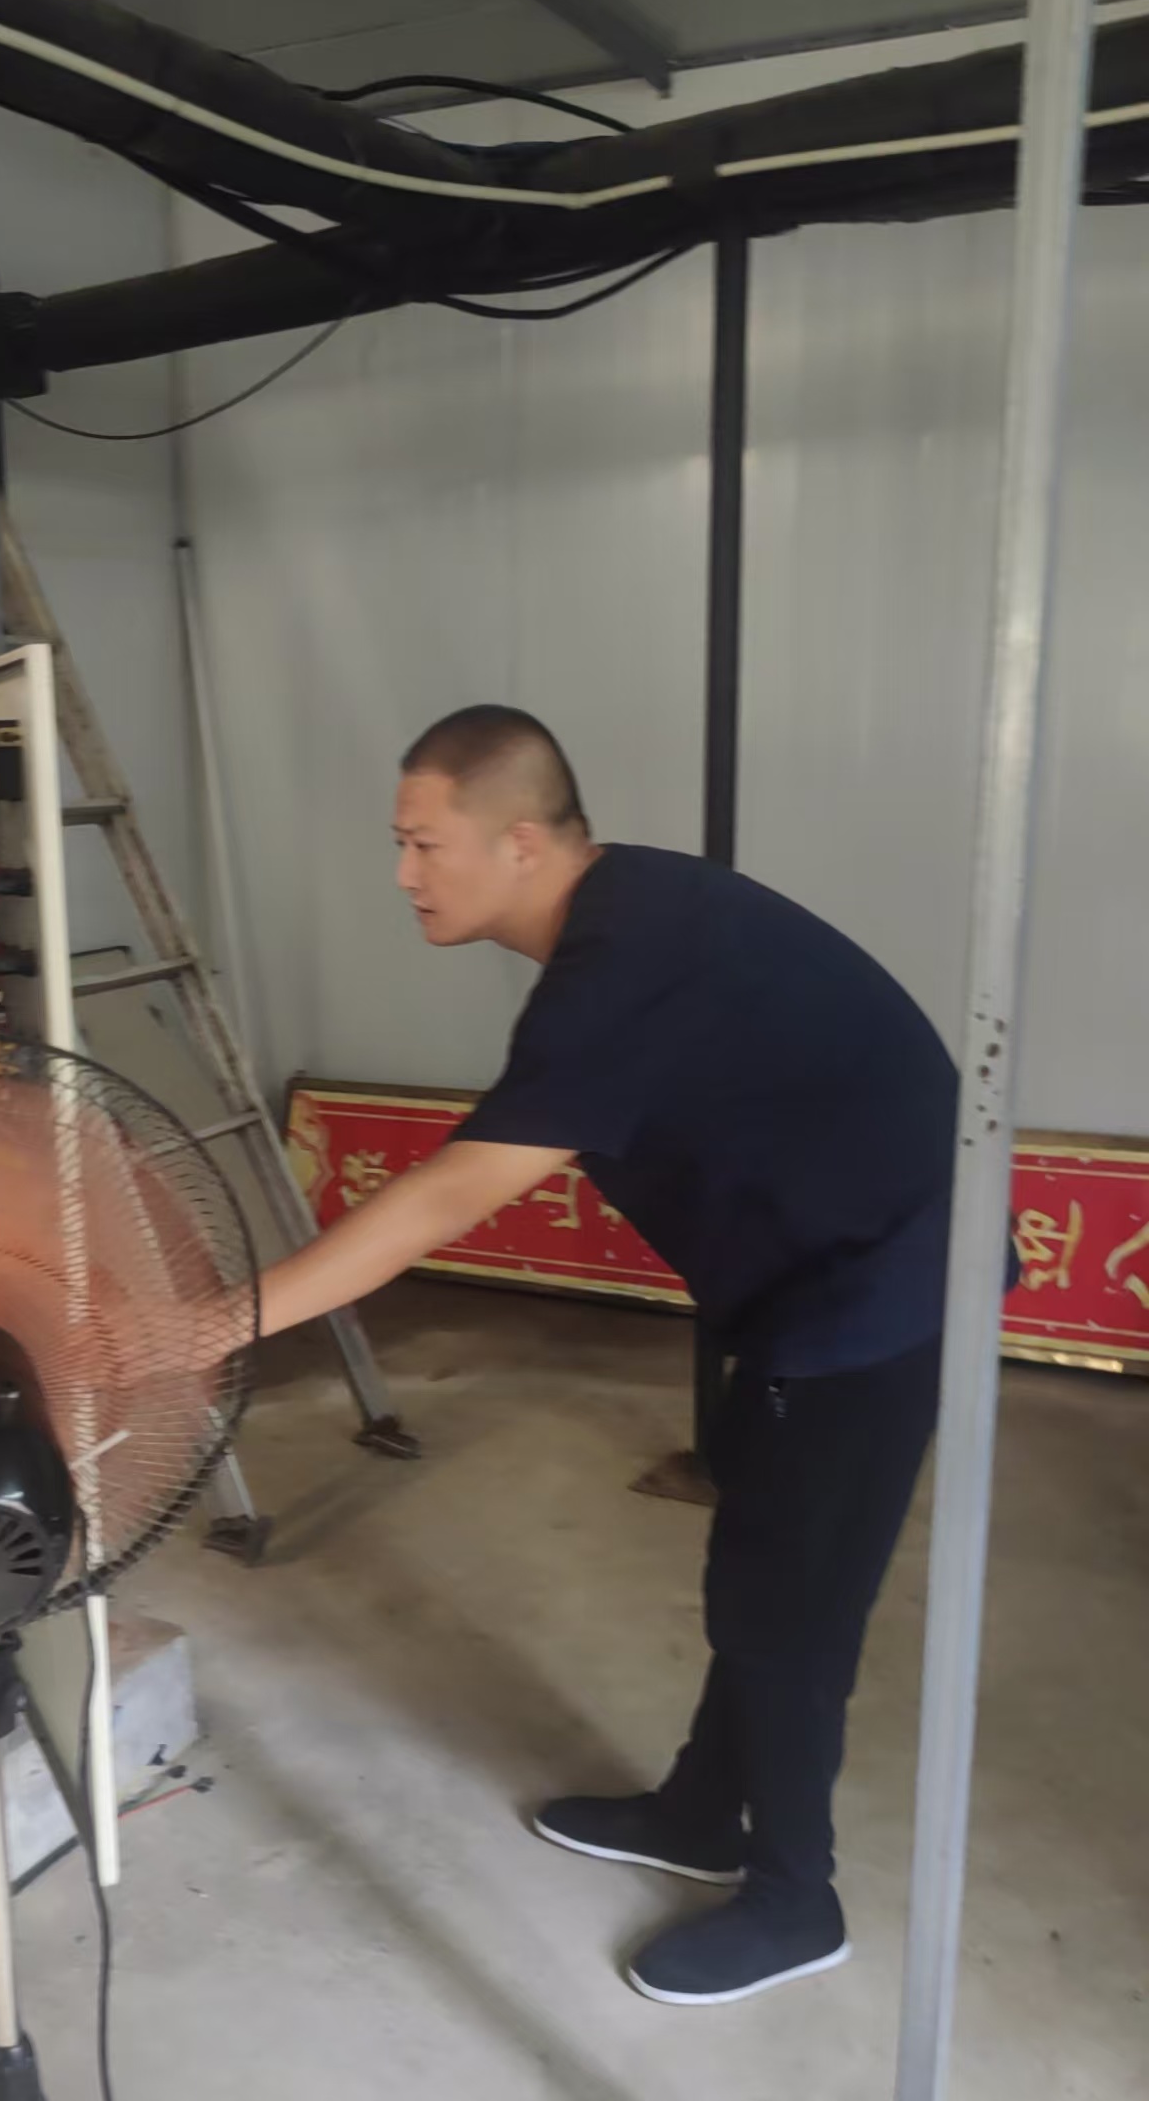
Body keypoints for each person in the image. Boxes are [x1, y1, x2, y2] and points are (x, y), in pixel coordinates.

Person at [252, 704, 958, 2006]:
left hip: (884, 1288)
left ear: (521, 843)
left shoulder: (623, 965)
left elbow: (447, 1199)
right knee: (760, 1567)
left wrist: (218, 1321)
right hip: (812, 1283)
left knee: (791, 1609)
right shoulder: (631, 917)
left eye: (423, 844)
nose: (403, 874)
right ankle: (700, 1811)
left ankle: (797, 1899)